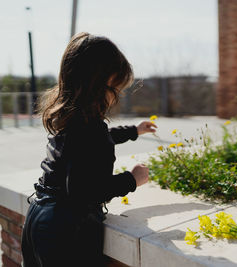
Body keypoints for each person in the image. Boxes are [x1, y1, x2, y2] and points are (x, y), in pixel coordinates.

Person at [21, 32, 156, 267]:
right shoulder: (91, 130)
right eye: (116, 88)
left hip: (39, 218)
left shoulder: (73, 120)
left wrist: (134, 131)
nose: (117, 96)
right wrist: (131, 180)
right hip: (66, 233)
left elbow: (96, 143)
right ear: (98, 85)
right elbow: (86, 190)